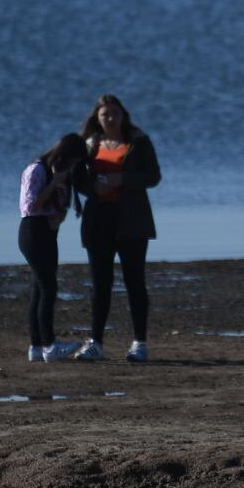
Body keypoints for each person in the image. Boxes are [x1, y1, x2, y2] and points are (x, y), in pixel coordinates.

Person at [72, 94, 161, 363]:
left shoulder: (138, 142)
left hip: (132, 221)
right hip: (99, 220)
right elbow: (76, 178)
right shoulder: (89, 144)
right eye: (105, 115)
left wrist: (123, 178)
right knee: (100, 283)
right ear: (97, 118)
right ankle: (95, 342)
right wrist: (92, 187)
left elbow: (153, 176)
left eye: (114, 114)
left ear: (123, 116)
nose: (110, 119)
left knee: (135, 282)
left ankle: (139, 343)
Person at [19, 133, 88, 363]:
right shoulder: (37, 170)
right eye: (73, 162)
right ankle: (49, 345)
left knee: (39, 288)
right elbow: (31, 204)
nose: (73, 167)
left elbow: (60, 206)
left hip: (48, 231)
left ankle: (36, 346)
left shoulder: (61, 173)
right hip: (32, 230)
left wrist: (60, 215)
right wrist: (55, 182)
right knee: (49, 287)